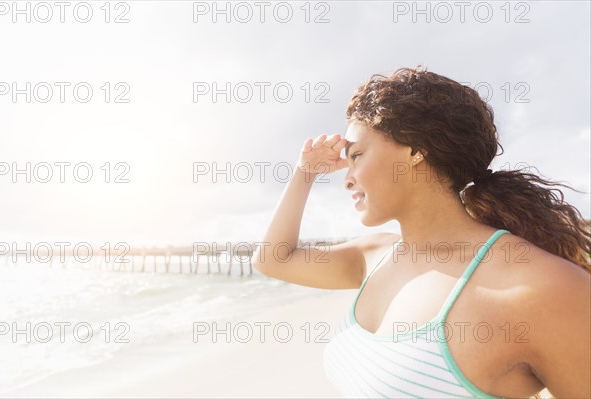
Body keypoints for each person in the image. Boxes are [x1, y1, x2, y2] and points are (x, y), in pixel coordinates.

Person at [251, 66, 590, 399]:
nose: (347, 178)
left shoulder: (540, 287)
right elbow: (273, 260)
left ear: (414, 151)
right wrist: (304, 171)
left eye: (356, 156)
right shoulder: (375, 256)